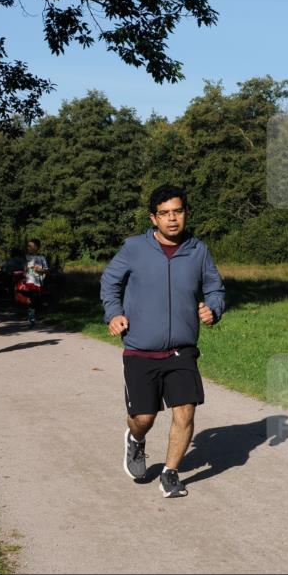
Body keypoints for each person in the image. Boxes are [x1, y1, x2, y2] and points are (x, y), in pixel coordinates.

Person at [100, 184, 225, 498]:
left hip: (182, 349)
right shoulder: (134, 248)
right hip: (140, 349)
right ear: (153, 218)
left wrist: (213, 308)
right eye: (164, 213)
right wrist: (114, 313)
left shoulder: (198, 250)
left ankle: (170, 473)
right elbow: (110, 281)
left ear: (186, 213)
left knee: (185, 411)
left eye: (177, 211)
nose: (172, 219)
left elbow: (215, 287)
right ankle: (136, 439)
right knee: (144, 418)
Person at [18, 238, 48, 326]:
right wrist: (25, 271)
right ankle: (32, 318)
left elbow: (46, 270)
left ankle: (34, 316)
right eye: (28, 246)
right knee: (31, 299)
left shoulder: (41, 258)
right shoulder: (26, 257)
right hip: (29, 282)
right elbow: (24, 270)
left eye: (30, 246)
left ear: (37, 247)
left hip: (38, 282)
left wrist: (39, 270)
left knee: (35, 300)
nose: (28, 248)